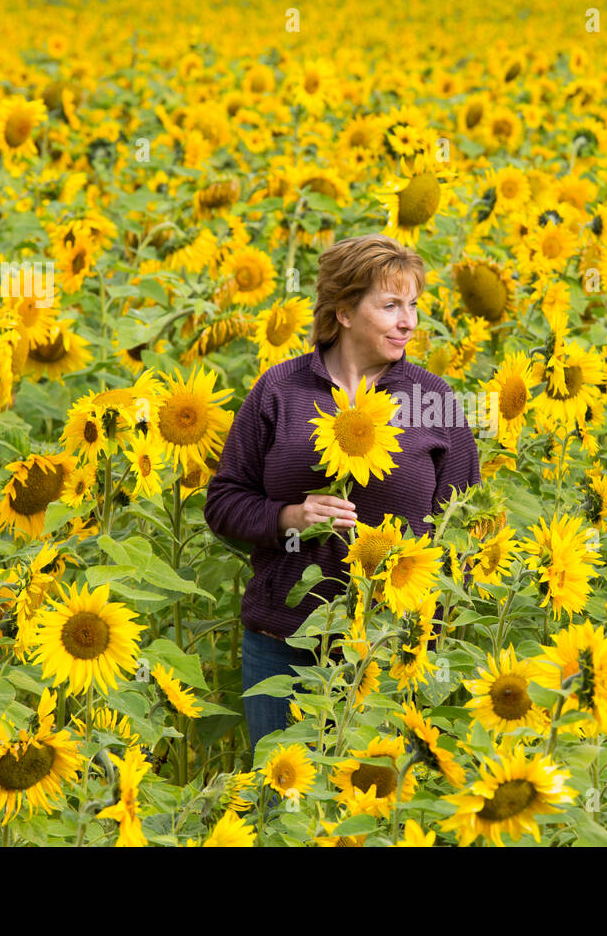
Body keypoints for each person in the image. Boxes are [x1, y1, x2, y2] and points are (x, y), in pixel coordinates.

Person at [203, 233, 481, 755]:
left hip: (386, 647)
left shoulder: (431, 399)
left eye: (413, 305)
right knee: (280, 807)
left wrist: (425, 631)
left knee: (370, 818)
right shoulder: (280, 391)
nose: (409, 322)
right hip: (284, 643)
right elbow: (223, 502)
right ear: (344, 312)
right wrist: (289, 517)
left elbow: (465, 525)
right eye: (391, 305)